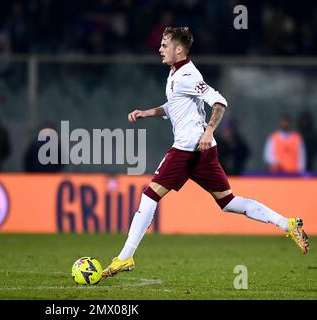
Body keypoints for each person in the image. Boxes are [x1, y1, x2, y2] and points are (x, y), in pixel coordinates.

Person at [102, 27, 309, 278]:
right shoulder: (175, 73)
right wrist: (148, 112)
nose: (160, 49)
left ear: (179, 49)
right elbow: (175, 106)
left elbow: (220, 101)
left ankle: (125, 258)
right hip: (203, 151)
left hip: (187, 149)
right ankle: (286, 224)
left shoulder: (187, 74)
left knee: (149, 196)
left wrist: (209, 130)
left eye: (165, 45)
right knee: (229, 202)